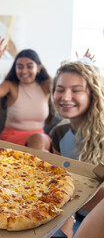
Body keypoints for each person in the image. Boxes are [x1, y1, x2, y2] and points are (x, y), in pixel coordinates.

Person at [50, 60, 104, 238]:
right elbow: (58, 181)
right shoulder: (58, 133)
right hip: (69, 214)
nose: (65, 97)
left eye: (76, 90)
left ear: (93, 94)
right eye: (60, 89)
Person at [0, 37, 53, 150]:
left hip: (38, 140)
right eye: (20, 67)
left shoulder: (45, 86)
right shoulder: (11, 86)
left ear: (38, 68)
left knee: (38, 140)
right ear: (15, 68)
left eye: (29, 66)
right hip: (12, 140)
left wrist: (83, 65)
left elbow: (66, 84)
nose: (24, 71)